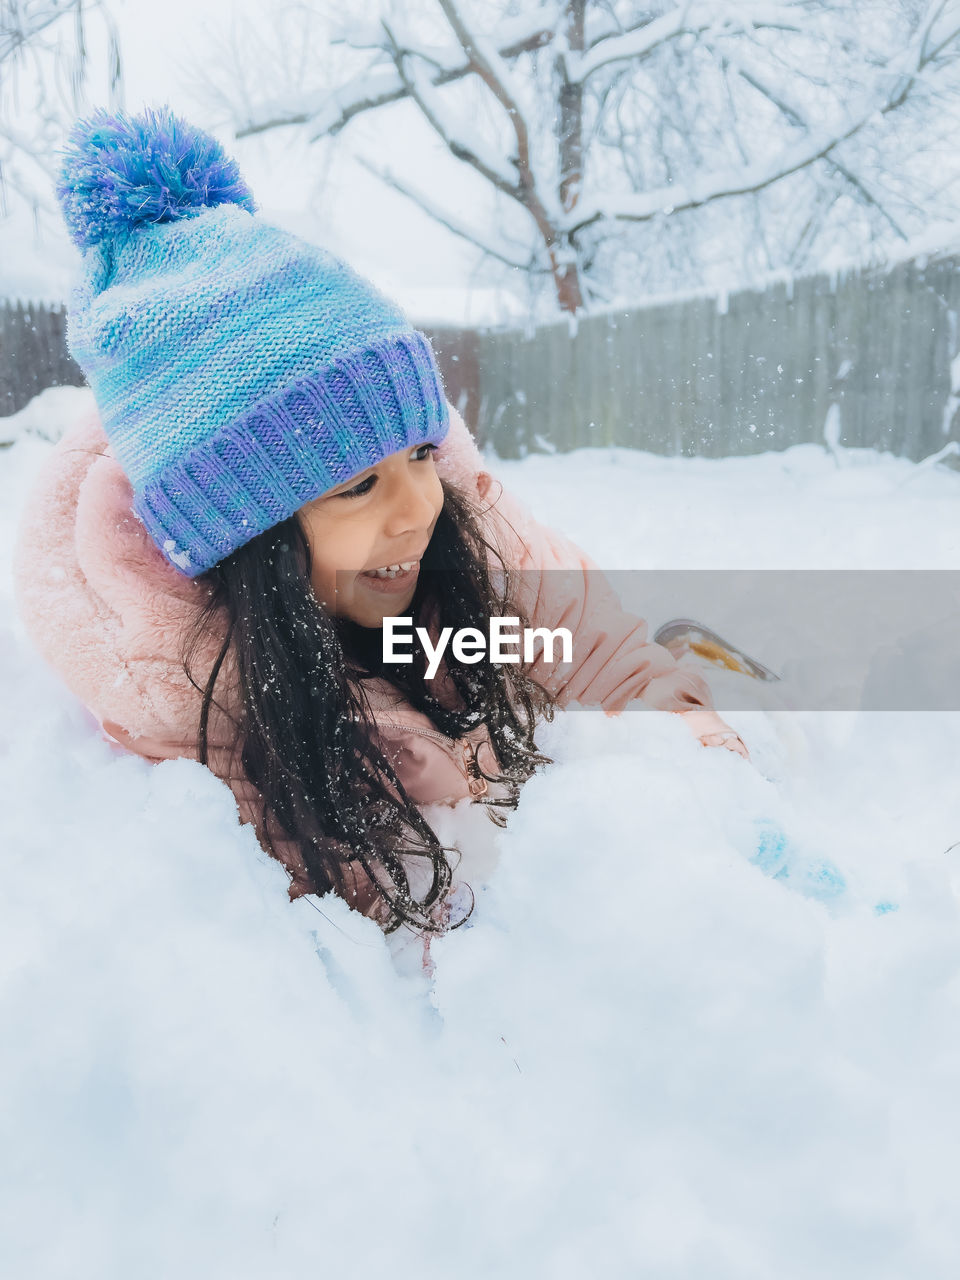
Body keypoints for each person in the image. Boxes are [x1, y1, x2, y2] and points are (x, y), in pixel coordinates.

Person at [12, 106, 748, 960]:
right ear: (243, 543)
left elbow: (608, 655)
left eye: (420, 454)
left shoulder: (467, 523)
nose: (418, 510)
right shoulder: (175, 671)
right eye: (358, 485)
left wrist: (706, 779)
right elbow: (372, 898)